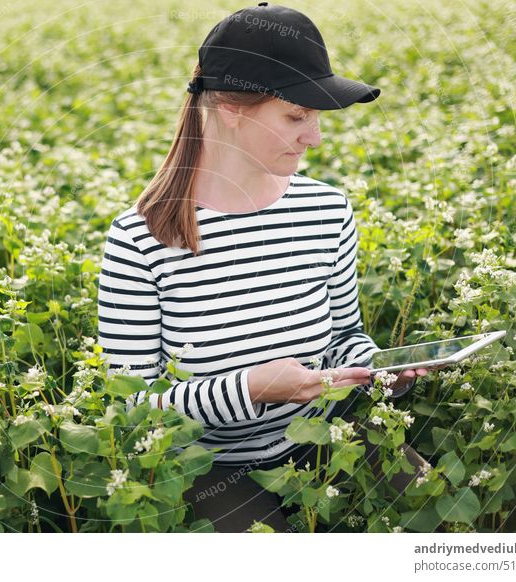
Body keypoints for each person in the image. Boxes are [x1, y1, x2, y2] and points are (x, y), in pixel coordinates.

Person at [96, 3, 430, 532]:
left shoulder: (326, 209)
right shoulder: (141, 238)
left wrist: (379, 371)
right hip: (211, 464)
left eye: (316, 117)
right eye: (296, 116)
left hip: (327, 432)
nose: (314, 137)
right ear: (230, 107)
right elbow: (134, 410)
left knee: (437, 509)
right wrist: (250, 387)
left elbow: (344, 336)